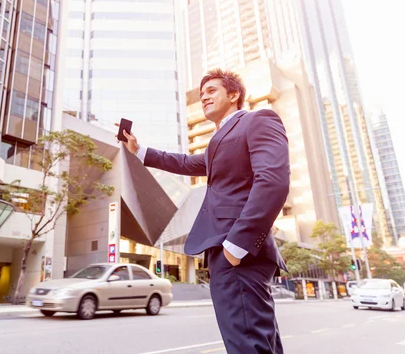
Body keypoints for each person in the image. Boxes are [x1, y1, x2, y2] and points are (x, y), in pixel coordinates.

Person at [118, 69, 290, 354]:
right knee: (259, 340)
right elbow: (186, 163)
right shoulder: (218, 141)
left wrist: (237, 245)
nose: (204, 98)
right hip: (229, 249)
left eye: (212, 91)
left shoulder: (258, 120)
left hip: (238, 248)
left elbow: (273, 181)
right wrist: (139, 150)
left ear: (234, 95)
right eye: (202, 94)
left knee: (247, 343)